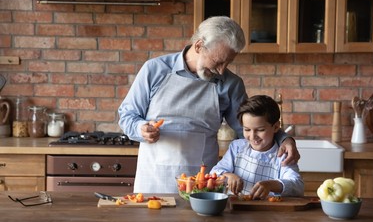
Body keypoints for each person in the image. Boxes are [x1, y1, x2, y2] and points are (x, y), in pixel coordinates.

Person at [118, 16, 300, 193]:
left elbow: (250, 128)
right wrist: (141, 128)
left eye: (228, 62)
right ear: (199, 46)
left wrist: (285, 139)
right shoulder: (155, 69)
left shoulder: (230, 84)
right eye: (218, 61)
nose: (221, 70)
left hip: (205, 185)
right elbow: (127, 115)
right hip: (154, 180)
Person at [211, 95, 304, 199]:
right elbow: (214, 172)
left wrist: (270, 185)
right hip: (236, 209)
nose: (252, 136)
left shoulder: (282, 155)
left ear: (276, 127)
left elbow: (298, 186)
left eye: (260, 130)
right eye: (247, 129)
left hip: (268, 212)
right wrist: (229, 176)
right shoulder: (236, 147)